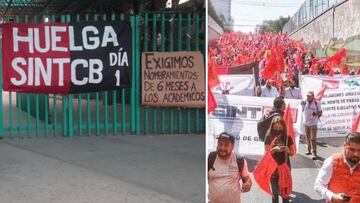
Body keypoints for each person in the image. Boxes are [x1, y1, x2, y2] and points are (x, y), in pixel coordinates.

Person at [314, 132, 360, 203]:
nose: (356, 154)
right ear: (345, 145)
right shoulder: (332, 161)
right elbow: (318, 185)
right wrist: (332, 197)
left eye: (359, 150)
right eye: (352, 149)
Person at [208, 132, 252, 203]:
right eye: (220, 144)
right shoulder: (211, 158)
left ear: (232, 147)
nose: (222, 148)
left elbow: (248, 180)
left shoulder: (239, 160)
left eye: (226, 145)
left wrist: (248, 185)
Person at [264, 116, 296, 203]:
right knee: (275, 194)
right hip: (273, 169)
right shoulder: (269, 136)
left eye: (280, 127)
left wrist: (288, 150)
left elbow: (292, 153)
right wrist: (274, 149)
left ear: (283, 127)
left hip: (285, 168)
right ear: (272, 126)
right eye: (276, 127)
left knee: (285, 194)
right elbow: (266, 154)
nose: (278, 129)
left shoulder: (288, 137)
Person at [302, 91, 322, 159]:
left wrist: (316, 114)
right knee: (307, 137)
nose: (308, 97)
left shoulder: (317, 103)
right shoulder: (304, 102)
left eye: (310, 96)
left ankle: (314, 153)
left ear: (313, 96)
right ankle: (309, 150)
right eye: (307, 96)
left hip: (314, 123)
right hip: (306, 122)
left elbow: (320, 112)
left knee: (313, 138)